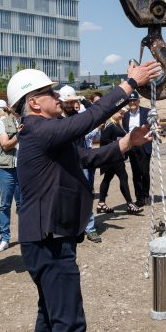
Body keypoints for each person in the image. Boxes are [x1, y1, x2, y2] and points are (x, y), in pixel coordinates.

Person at [8, 60, 159, 332]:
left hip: (47, 238)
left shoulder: (48, 134)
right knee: (69, 323)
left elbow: (86, 158)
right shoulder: (38, 130)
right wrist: (128, 85)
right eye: (49, 92)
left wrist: (126, 144)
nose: (58, 96)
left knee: (50, 312)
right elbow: (87, 120)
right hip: (49, 239)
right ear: (33, 103)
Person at [58, 85, 103, 243]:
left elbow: (97, 114)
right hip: (64, 164)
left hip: (82, 162)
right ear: (61, 102)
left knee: (86, 193)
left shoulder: (80, 116)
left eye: (73, 102)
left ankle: (89, 227)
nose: (71, 105)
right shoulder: (57, 120)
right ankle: (70, 228)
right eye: (68, 102)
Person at [0, 100, 21, 252]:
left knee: (24, 204)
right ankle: (5, 238)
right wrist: (20, 135)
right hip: (7, 168)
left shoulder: (28, 119)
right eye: (15, 104)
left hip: (24, 167)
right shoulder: (3, 122)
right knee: (5, 205)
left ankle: (26, 235)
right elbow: (4, 144)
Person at [96, 109, 139, 215]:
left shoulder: (116, 124)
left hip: (116, 156)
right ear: (113, 113)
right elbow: (104, 140)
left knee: (107, 178)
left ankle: (101, 203)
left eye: (123, 113)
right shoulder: (109, 124)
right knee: (123, 177)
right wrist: (119, 144)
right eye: (120, 113)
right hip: (113, 156)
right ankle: (130, 203)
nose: (122, 115)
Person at [122, 91, 152, 207]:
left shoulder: (147, 112)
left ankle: (146, 195)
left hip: (144, 146)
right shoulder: (125, 115)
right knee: (136, 173)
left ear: (138, 101)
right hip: (132, 147)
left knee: (145, 172)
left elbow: (152, 125)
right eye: (130, 101)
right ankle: (139, 198)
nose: (133, 102)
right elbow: (125, 130)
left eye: (134, 100)